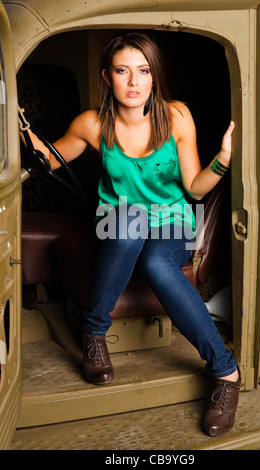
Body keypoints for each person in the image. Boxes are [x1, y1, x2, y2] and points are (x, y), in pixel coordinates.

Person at [23, 32, 241, 437]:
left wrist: (224, 158)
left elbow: (193, 188)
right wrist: (17, 124)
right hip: (117, 223)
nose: (134, 81)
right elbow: (48, 160)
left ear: (154, 78)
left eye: (143, 71)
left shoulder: (176, 116)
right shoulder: (92, 123)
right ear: (107, 76)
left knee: (157, 261)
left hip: (173, 223)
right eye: (123, 71)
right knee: (130, 222)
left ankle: (226, 375)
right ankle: (94, 330)